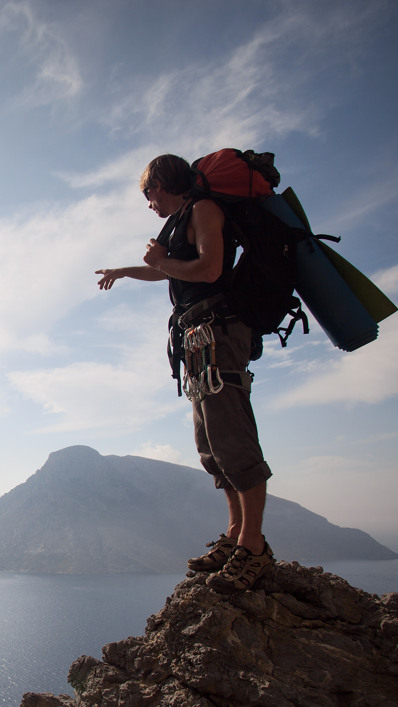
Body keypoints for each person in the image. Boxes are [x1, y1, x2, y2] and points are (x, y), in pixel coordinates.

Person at [96, 154, 274, 592]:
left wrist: (159, 262)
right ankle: (234, 534)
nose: (147, 202)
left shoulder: (204, 211)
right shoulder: (177, 222)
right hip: (196, 338)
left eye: (147, 192)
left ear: (162, 183)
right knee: (210, 445)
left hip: (218, 330)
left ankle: (254, 546)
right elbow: (170, 271)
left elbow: (209, 269)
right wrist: (127, 271)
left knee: (232, 439)